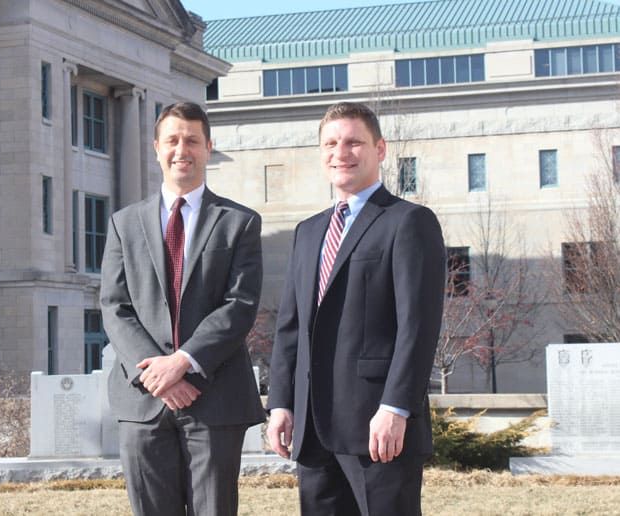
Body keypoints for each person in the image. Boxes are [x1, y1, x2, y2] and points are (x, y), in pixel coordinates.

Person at [267, 102, 445, 516]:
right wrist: (282, 403)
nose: (340, 152)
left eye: (353, 142)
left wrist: (396, 407)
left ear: (380, 149)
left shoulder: (408, 222)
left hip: (378, 428)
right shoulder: (308, 232)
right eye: (330, 143)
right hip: (313, 431)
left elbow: (417, 328)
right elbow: (290, 328)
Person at [100, 102, 265, 516]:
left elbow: (239, 305)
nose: (181, 149)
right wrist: (159, 373)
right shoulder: (124, 223)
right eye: (172, 140)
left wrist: (183, 363)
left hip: (214, 398)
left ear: (209, 147)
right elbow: (114, 305)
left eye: (192, 140)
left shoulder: (239, 222)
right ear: (156, 147)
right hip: (143, 399)